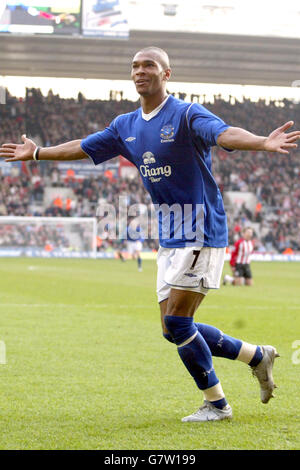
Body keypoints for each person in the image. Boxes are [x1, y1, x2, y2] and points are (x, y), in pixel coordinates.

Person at [1, 46, 299, 422]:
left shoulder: (187, 113)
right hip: (171, 231)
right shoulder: (125, 125)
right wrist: (39, 152)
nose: (140, 71)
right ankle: (257, 356)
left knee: (178, 323)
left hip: (201, 227)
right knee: (170, 329)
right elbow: (83, 146)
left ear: (166, 73)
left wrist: (261, 141)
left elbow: (223, 133)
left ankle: (217, 405)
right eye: (135, 66)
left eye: (149, 65)